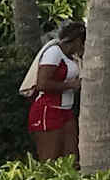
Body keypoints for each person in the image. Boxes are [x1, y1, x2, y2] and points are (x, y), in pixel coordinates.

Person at [25, 21, 85, 162]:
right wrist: (70, 85)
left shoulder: (72, 57)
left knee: (71, 158)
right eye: (83, 43)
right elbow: (42, 84)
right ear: (77, 40)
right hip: (48, 111)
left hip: (66, 111)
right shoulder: (54, 53)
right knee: (50, 158)